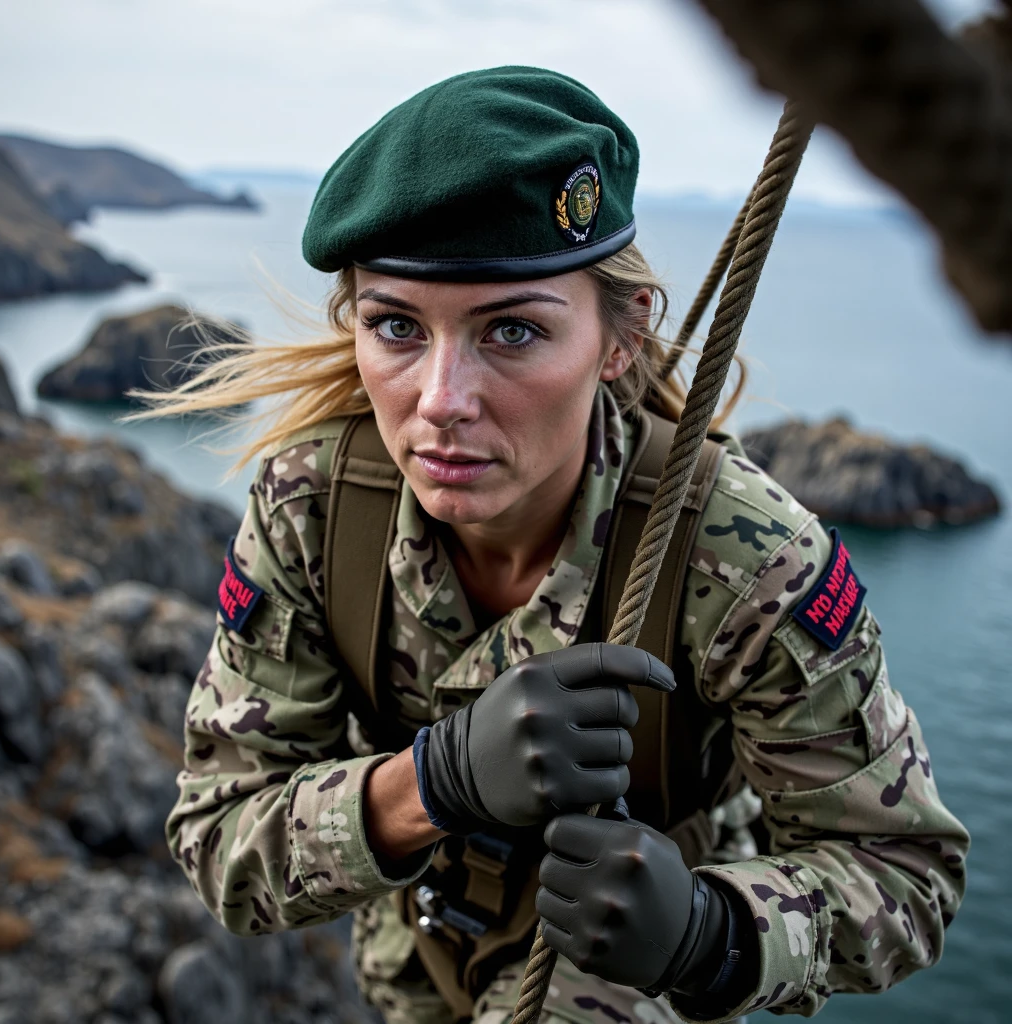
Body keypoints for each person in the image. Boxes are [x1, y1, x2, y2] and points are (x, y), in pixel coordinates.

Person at [149, 67, 968, 1024]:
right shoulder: (315, 512)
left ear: (618, 339)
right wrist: (434, 781)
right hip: (411, 967)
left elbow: (905, 875)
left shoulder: (743, 558)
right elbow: (219, 844)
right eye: (397, 327)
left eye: (512, 331)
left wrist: (714, 933)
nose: (441, 401)